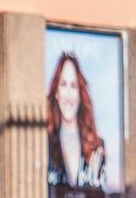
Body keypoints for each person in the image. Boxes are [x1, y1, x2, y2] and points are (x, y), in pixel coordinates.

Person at [46, 52, 107, 189]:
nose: (68, 93)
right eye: (63, 84)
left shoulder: (96, 146)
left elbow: (102, 197)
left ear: (80, 94)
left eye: (74, 86)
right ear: (56, 92)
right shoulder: (45, 143)